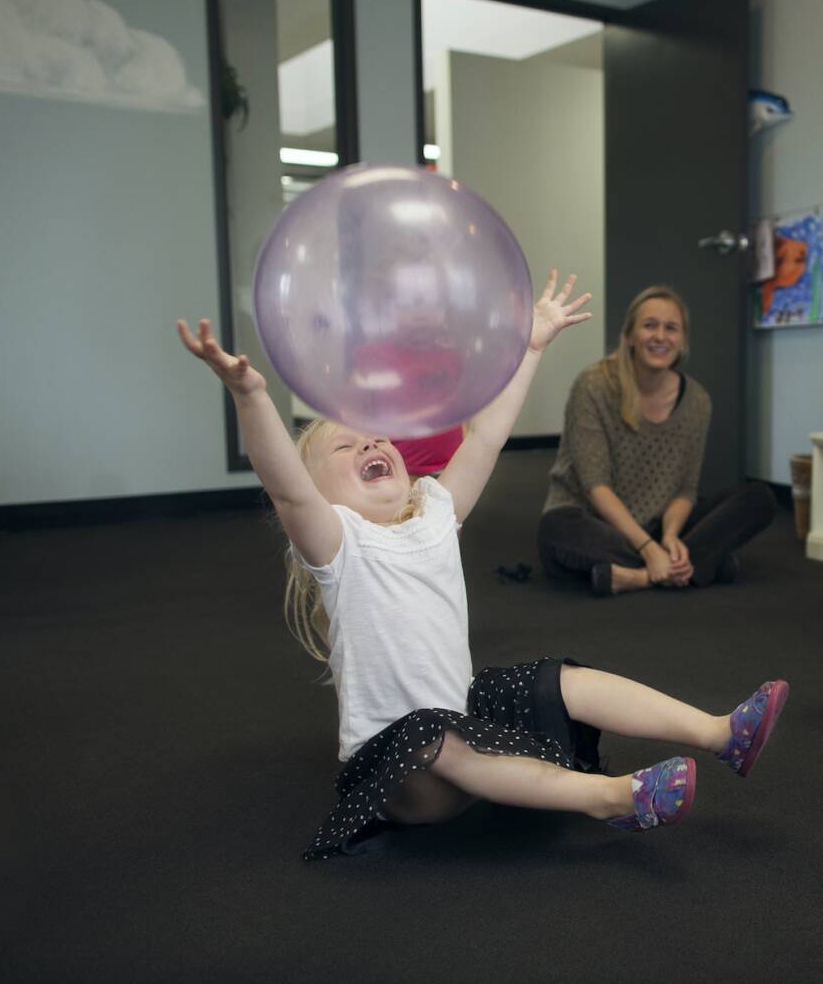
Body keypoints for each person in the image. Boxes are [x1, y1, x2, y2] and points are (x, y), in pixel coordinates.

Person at [177, 272, 791, 861]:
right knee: (430, 730)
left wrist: (529, 348)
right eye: (346, 444)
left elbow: (487, 437)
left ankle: (719, 733)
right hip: (404, 775)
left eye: (378, 436)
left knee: (558, 679)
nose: (371, 442)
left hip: (465, 725)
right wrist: (250, 395)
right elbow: (286, 489)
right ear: (322, 493)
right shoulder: (341, 544)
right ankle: (611, 798)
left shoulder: (436, 511)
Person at [539, 285, 775, 596]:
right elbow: (595, 487)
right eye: (649, 325)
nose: (660, 336)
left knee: (759, 498)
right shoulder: (593, 386)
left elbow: (685, 490)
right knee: (555, 531)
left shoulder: (697, 401)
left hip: (658, 521)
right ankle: (701, 566)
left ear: (683, 341)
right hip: (592, 517)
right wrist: (648, 548)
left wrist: (670, 536)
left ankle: (635, 576)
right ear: (629, 336)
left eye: (671, 328)